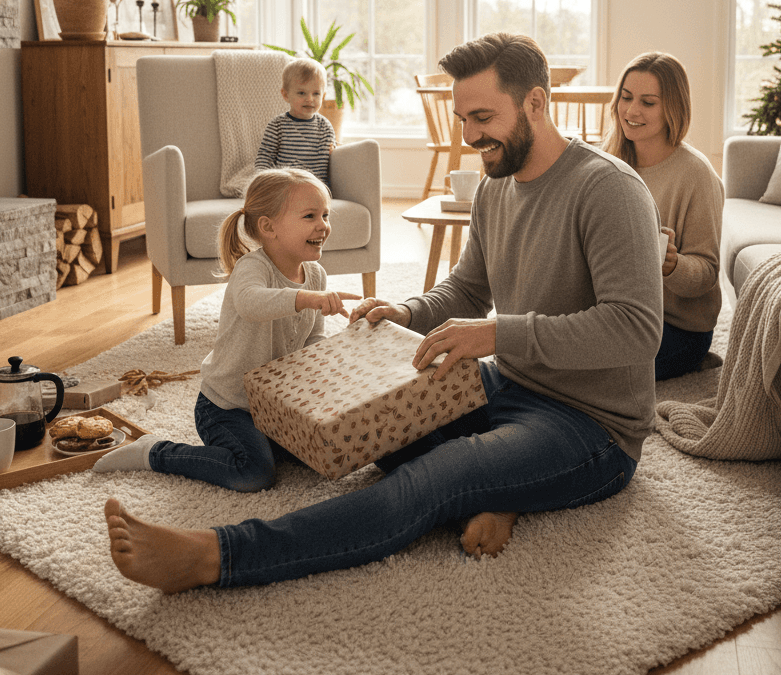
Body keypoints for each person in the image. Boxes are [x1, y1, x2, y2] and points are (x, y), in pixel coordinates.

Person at [103, 32, 663, 593]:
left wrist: (497, 334)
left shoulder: (609, 190)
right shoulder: (496, 191)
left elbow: (636, 330)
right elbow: (467, 291)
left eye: (483, 117)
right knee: (382, 429)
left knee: (431, 478)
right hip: (506, 386)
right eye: (462, 117)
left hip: (591, 426)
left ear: (536, 104)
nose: (469, 136)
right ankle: (500, 487)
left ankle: (218, 556)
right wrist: (402, 311)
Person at [93, 167, 354, 489]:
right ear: (268, 227)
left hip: (275, 405)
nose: (323, 226)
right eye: (310, 216)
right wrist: (304, 298)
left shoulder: (316, 275)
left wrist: (328, 364)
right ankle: (155, 452)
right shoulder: (253, 267)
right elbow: (251, 302)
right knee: (254, 473)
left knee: (325, 455)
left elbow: (312, 336)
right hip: (228, 406)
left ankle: (269, 444)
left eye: (325, 215)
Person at [601, 51, 724, 380]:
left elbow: (707, 273)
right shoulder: (605, 163)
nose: (632, 110)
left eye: (648, 102)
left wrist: (672, 265)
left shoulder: (696, 175)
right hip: (613, 311)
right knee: (540, 346)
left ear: (672, 107)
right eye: (626, 98)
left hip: (676, 327)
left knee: (585, 374)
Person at [255, 57, 336, 186]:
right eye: (302, 93)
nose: (310, 99)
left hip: (315, 186)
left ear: (323, 96)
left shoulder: (325, 126)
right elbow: (265, 157)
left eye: (316, 93)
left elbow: (332, 157)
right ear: (286, 95)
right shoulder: (277, 125)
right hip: (285, 185)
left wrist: (336, 149)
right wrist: (263, 182)